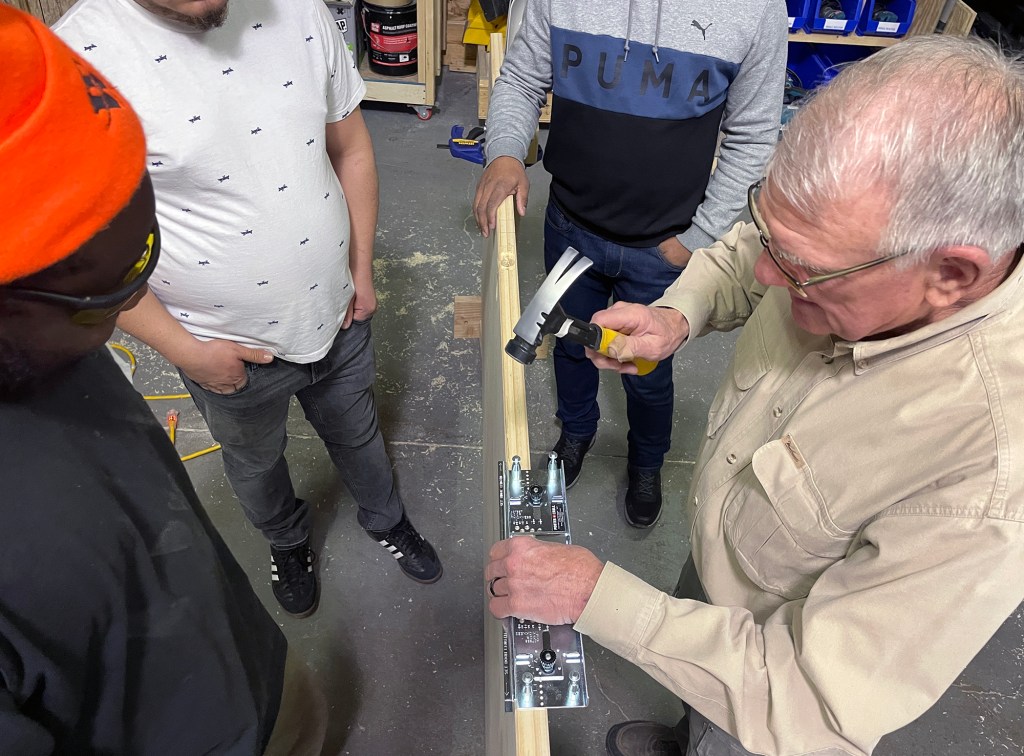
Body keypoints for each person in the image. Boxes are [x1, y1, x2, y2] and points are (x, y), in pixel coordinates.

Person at [485, 35, 1024, 756]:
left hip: (779, 706)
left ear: (953, 275)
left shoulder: (988, 471)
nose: (766, 275)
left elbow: (809, 701)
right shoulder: (841, 242)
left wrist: (597, 600)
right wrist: (679, 314)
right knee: (697, 682)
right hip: (730, 556)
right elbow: (748, 251)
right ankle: (687, 732)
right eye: (771, 230)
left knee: (732, 738)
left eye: (801, 271)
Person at [0, 8, 325, 752]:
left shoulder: (48, 343)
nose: (120, 318)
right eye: (95, 296)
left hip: (245, 664)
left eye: (139, 256)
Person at [54, 0, 442, 619]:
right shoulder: (76, 65)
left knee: (358, 432)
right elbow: (79, 256)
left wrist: (360, 266)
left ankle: (387, 519)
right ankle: (288, 543)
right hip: (223, 347)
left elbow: (351, 149)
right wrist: (188, 354)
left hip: (338, 316)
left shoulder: (299, 9)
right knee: (256, 462)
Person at [473, 0, 787, 527]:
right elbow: (523, 78)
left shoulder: (754, 9)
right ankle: (576, 433)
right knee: (571, 347)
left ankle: (646, 461)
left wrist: (702, 236)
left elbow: (754, 136)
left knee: (645, 366)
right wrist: (505, 150)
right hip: (571, 225)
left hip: (666, 247)